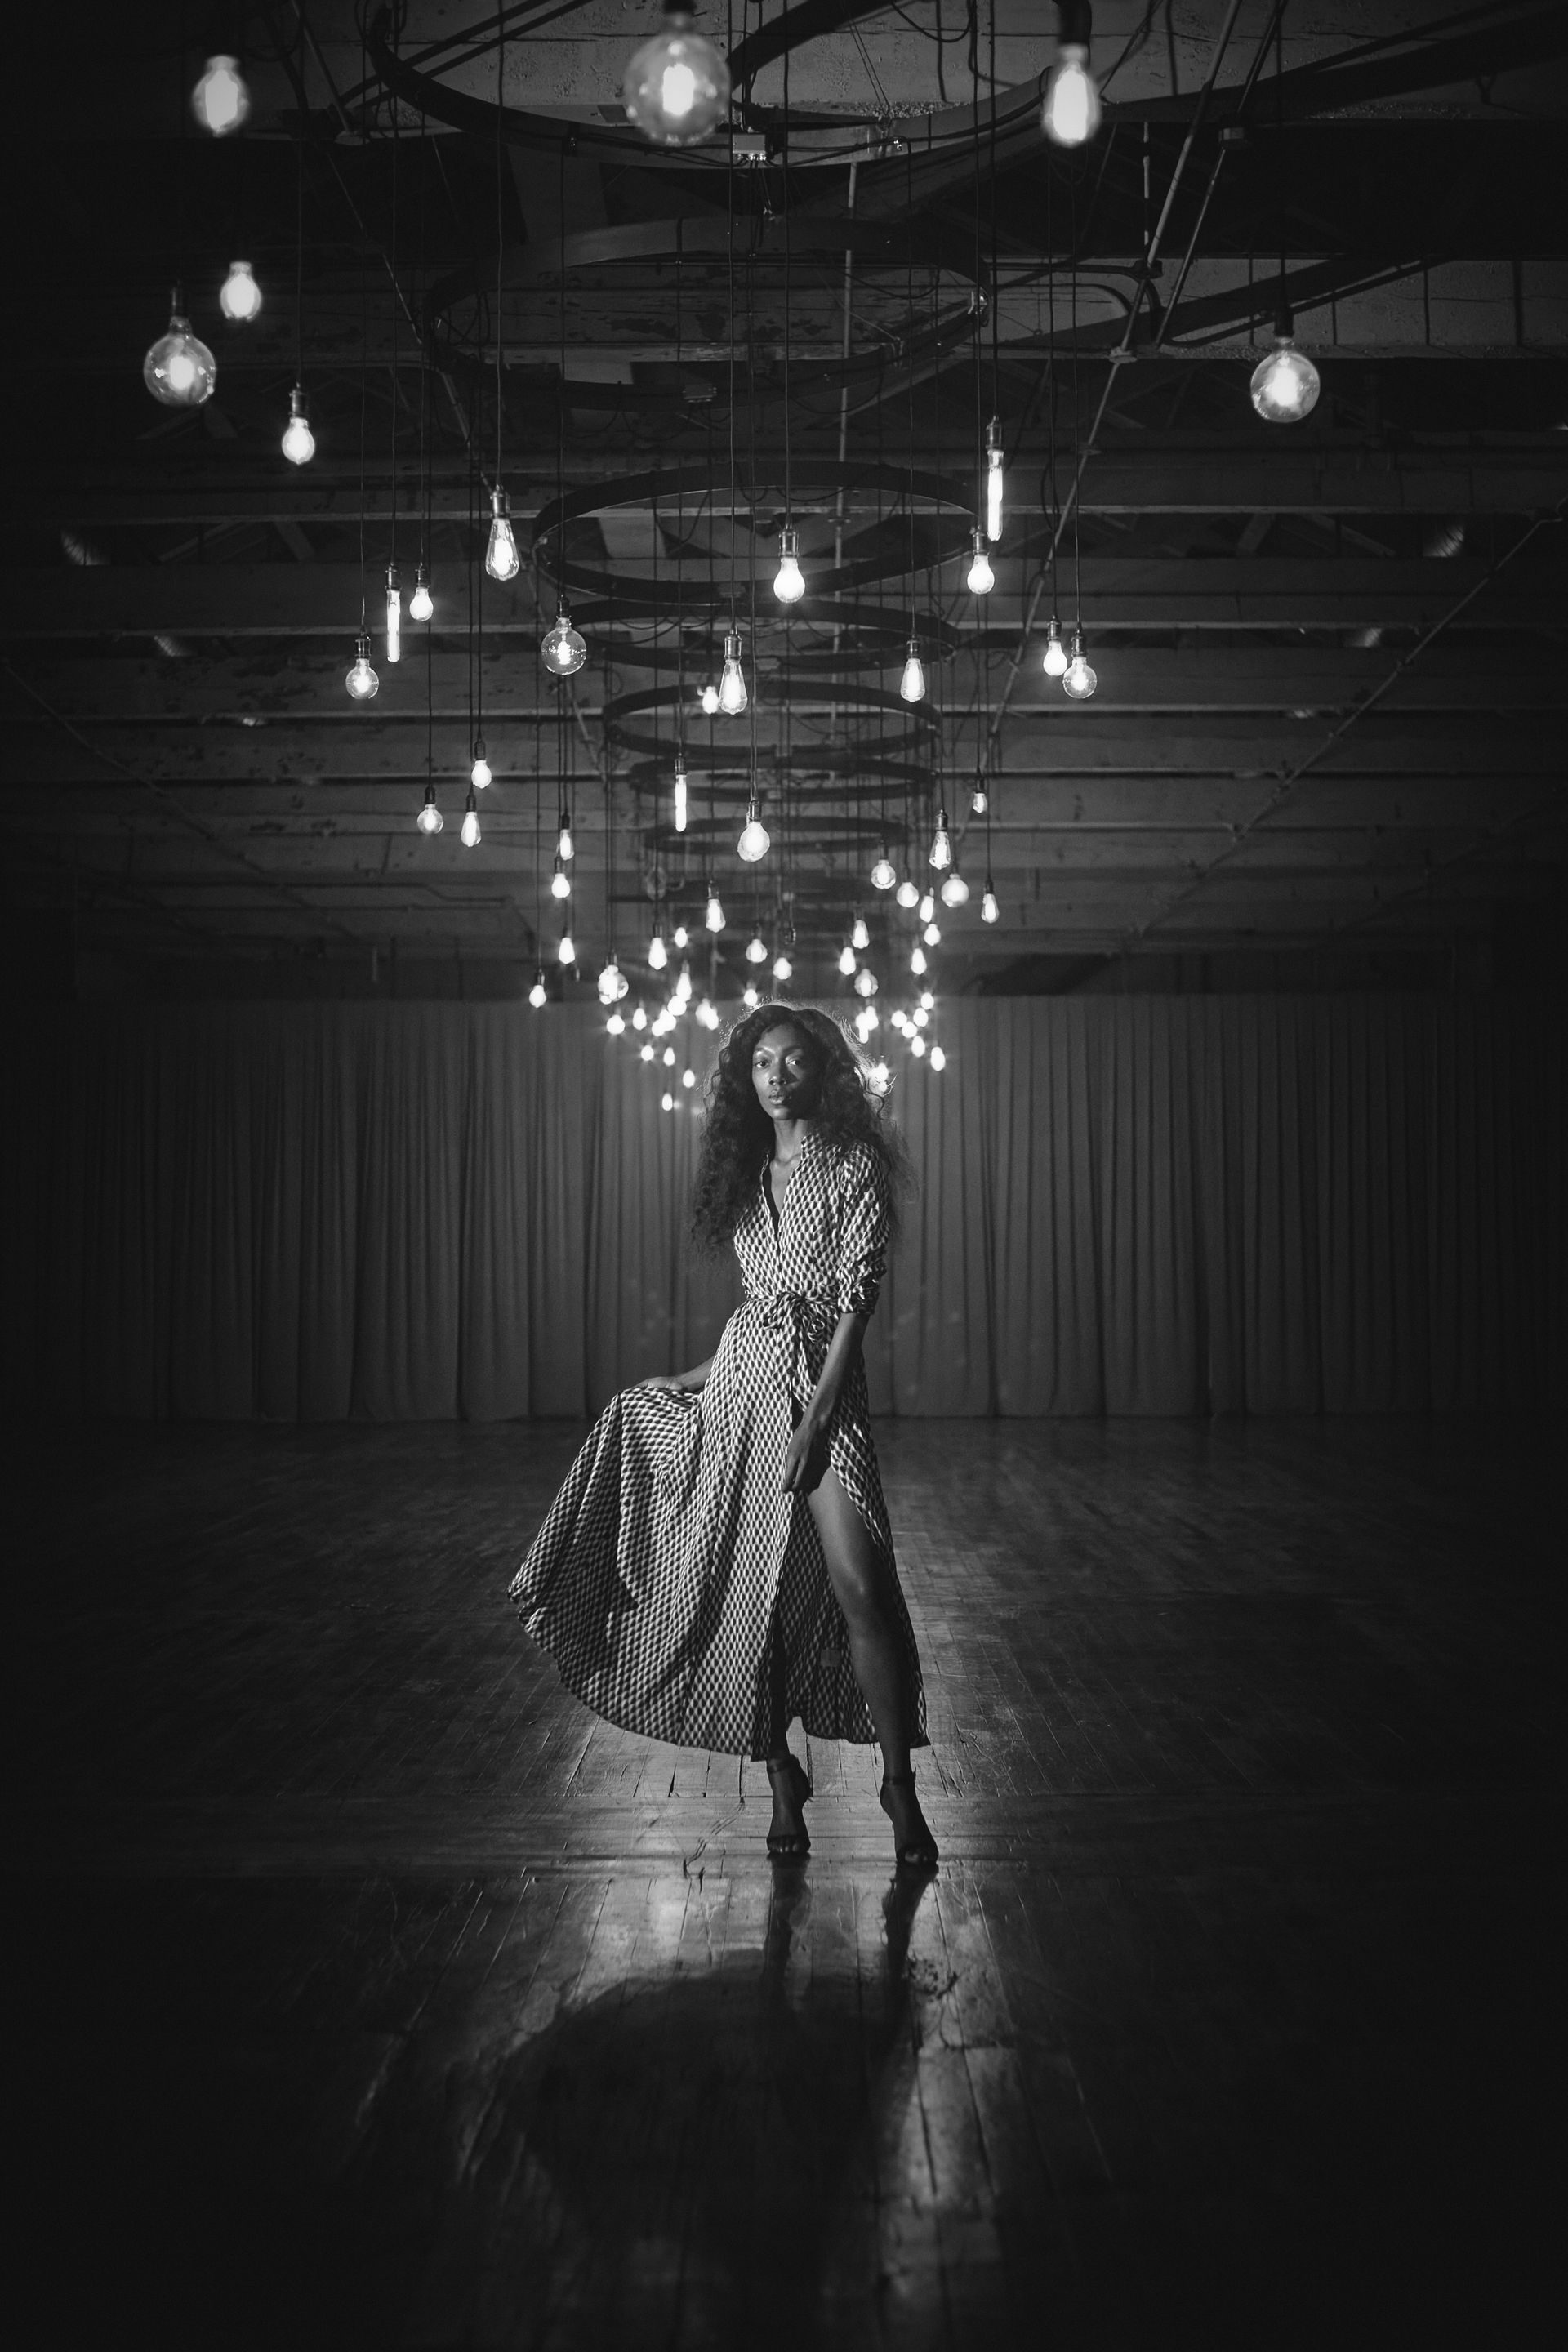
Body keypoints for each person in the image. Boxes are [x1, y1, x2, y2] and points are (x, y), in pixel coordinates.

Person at [510, 1002, 938, 1870]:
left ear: (824, 1071)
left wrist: (816, 1425)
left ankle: (899, 1785)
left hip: (824, 1402)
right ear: (746, 1083)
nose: (778, 1077)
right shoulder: (745, 1180)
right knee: (749, 1602)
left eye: (794, 1061)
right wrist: (691, 1377)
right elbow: (757, 1315)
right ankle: (780, 1774)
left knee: (860, 1589)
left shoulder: (853, 1165)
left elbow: (854, 1306)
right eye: (762, 1066)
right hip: (742, 1389)